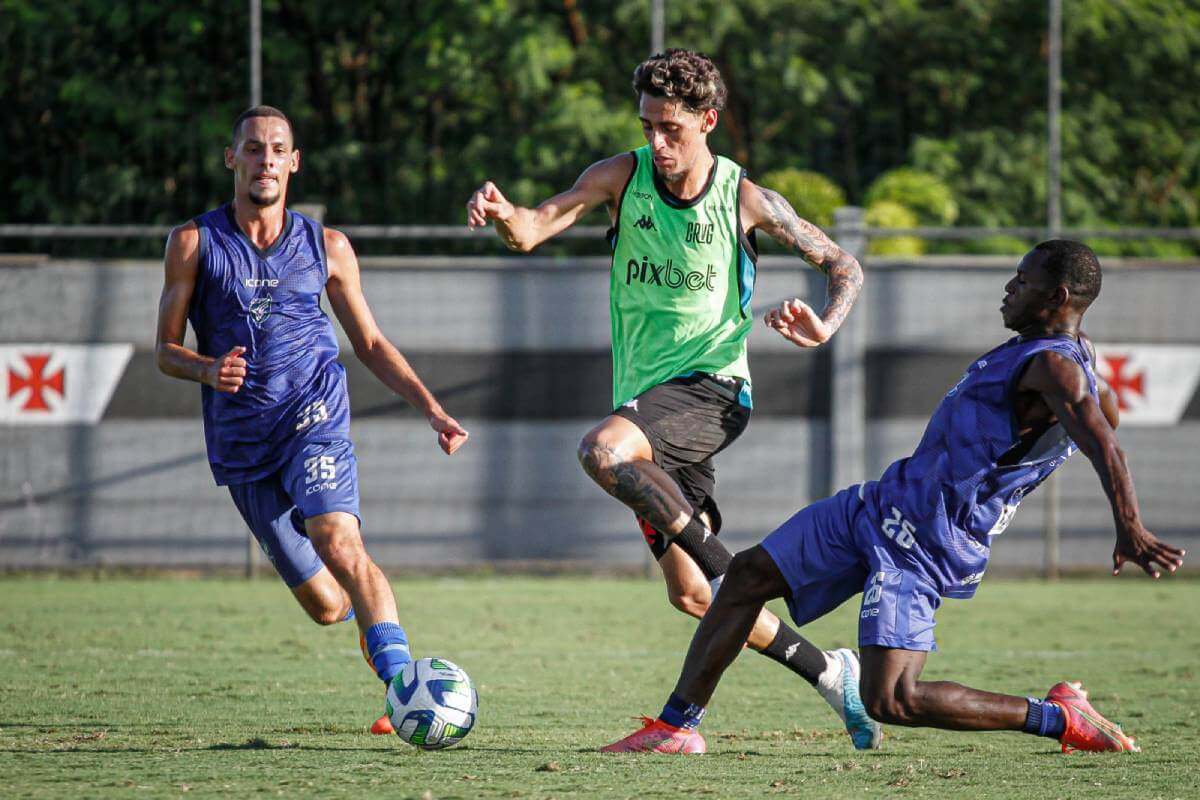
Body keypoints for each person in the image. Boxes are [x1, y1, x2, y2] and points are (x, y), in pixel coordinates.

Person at [602, 240, 1186, 754]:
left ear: (1057, 296)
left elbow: (1105, 446)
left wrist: (1129, 528)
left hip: (924, 544)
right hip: (879, 506)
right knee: (747, 576)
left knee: (892, 699)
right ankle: (677, 727)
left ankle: (1058, 717)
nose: (1008, 288)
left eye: (1023, 281)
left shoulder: (1058, 370)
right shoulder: (1031, 354)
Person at [467, 49, 878, 748]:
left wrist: (825, 324)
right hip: (648, 406)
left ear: (708, 121)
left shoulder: (744, 197)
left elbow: (844, 264)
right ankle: (826, 671)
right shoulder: (618, 177)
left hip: (714, 390)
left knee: (601, 450)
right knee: (693, 594)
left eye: (672, 129)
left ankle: (739, 574)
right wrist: (507, 213)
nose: (657, 142)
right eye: (648, 125)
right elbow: (534, 229)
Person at [156, 105, 469, 735]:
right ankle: (369, 620)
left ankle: (406, 687)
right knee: (328, 605)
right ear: (232, 158)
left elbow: (372, 343)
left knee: (338, 538)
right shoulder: (193, 242)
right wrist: (207, 369)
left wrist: (432, 409)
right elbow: (165, 349)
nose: (264, 159)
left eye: (276, 149)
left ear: (293, 163)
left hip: (313, 417)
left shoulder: (326, 246)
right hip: (243, 443)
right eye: (252, 148)